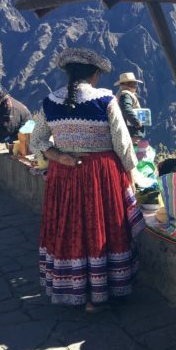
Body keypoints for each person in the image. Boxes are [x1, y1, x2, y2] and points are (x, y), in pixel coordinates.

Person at [30, 48, 144, 313]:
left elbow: (37, 141)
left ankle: (78, 290)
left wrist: (60, 156)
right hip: (100, 176)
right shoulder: (104, 99)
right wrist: (132, 176)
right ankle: (101, 290)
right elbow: (123, 145)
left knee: (71, 228)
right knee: (101, 229)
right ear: (94, 75)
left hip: (64, 175)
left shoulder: (50, 102)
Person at [114, 72, 145, 143]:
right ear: (126, 84)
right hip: (131, 132)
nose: (135, 85)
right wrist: (136, 122)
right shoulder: (126, 95)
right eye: (133, 83)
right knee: (132, 149)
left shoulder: (121, 93)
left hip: (127, 130)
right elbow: (126, 109)